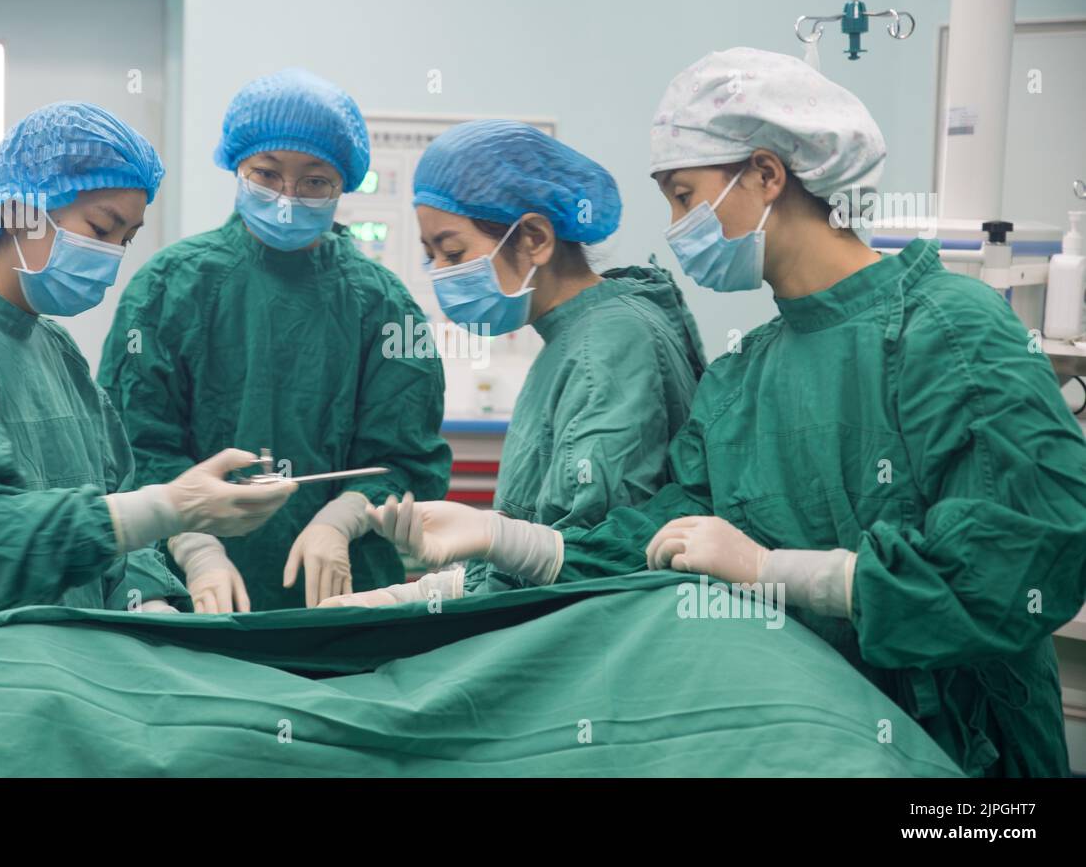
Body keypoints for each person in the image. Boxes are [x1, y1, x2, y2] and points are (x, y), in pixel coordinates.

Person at [354, 49, 1086, 777]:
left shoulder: (950, 329)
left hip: (969, 758)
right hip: (803, 740)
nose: (677, 226)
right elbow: (659, 535)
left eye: (683, 194)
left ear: (768, 173)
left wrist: (777, 570)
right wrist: (502, 539)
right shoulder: (744, 376)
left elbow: (1019, 565)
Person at [0, 102, 295, 695]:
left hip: (44, 693)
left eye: (127, 239)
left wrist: (149, 604)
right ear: (20, 209)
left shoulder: (54, 349)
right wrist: (166, 509)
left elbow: (114, 502)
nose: (113, 260)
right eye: (100, 229)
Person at [99, 69, 450, 613]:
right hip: (190, 593)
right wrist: (194, 546)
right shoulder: (169, 287)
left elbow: (406, 459)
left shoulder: (381, 303)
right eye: (267, 175)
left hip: (343, 593)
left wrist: (341, 520)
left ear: (344, 184)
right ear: (237, 168)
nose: (288, 197)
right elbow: (132, 446)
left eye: (314, 181)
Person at [320, 119, 708, 607]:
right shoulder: (572, 337)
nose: (441, 274)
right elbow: (545, 549)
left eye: (454, 251)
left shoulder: (608, 347)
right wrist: (432, 591)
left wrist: (489, 545)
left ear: (535, 239)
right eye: (430, 255)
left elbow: (599, 567)